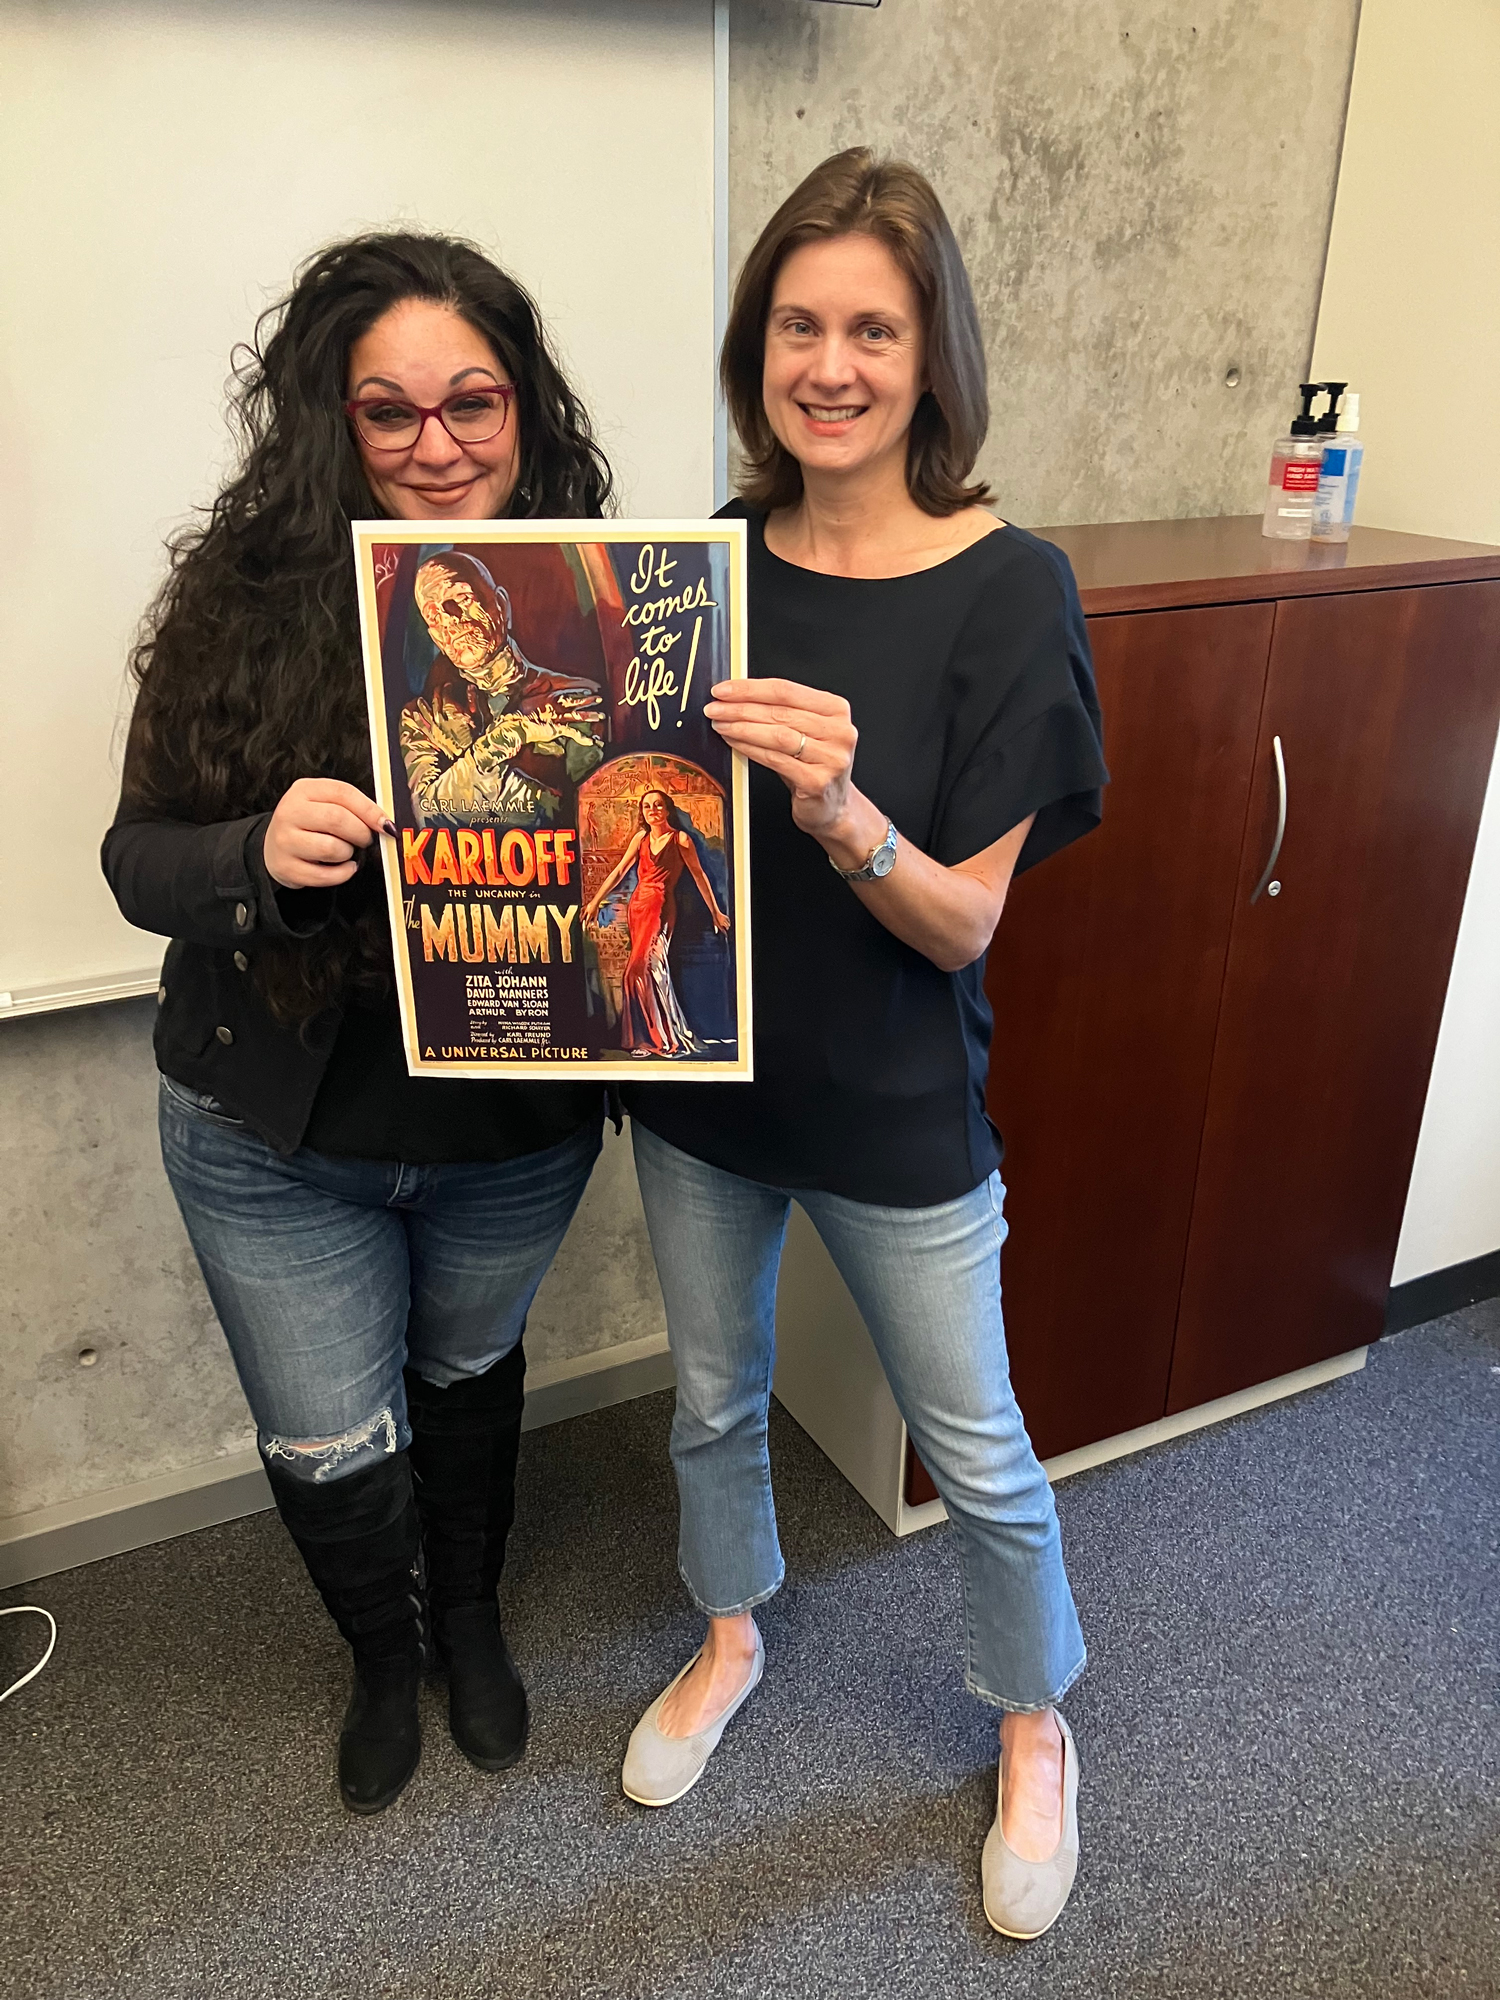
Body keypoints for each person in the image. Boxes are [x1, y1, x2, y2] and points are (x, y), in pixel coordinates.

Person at [621, 150, 1108, 1941]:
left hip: (901, 1110)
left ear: (930, 356)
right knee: (711, 1398)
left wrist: (841, 810)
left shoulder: (1009, 588)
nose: (830, 362)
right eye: (800, 324)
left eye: (873, 329)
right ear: (760, 348)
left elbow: (967, 922)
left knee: (974, 1445)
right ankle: (732, 1631)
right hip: (704, 1096)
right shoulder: (697, 566)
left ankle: (1036, 1718)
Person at [101, 233, 614, 1816]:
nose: (439, 445)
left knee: (469, 1379)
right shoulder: (240, 605)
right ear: (335, 424)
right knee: (330, 1442)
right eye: (389, 414)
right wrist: (256, 858)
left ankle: (463, 1620)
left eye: (474, 402)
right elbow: (135, 862)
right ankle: (379, 1657)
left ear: (525, 409)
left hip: (506, 1136)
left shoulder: (612, 607)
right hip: (277, 1140)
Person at [400, 551, 605, 828]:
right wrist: (493, 746)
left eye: (462, 599)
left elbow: (583, 820)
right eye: (433, 615)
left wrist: (462, 768)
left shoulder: (575, 700)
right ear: (434, 636)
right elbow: (427, 816)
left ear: (501, 606)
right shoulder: (422, 717)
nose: (450, 620)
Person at [583, 788, 731, 1055]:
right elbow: (618, 872)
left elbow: (699, 877)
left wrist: (716, 912)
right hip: (637, 907)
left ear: (667, 809)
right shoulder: (640, 838)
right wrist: (595, 902)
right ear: (642, 812)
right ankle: (644, 1039)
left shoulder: (680, 839)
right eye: (647, 806)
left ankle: (661, 1038)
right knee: (638, 974)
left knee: (646, 971)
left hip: (661, 908)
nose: (652, 810)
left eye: (658, 805)